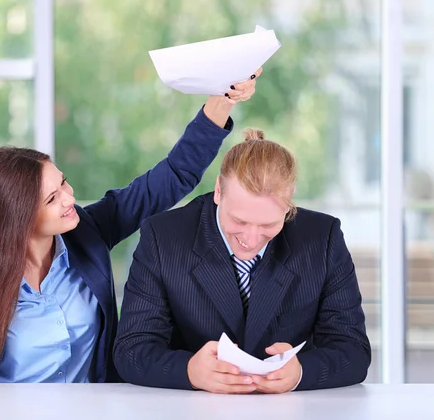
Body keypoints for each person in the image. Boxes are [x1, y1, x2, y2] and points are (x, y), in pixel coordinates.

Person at [0, 70, 262, 387]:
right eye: (52, 199)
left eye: (62, 183)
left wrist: (222, 100)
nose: (69, 199)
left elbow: (171, 176)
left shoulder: (88, 231)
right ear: (16, 218)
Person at [113, 128, 371, 393]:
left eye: (268, 224)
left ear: (289, 201)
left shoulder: (322, 238)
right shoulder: (163, 237)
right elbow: (131, 350)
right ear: (218, 191)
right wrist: (189, 370)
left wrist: (301, 372)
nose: (251, 237)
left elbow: (353, 349)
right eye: (238, 220)